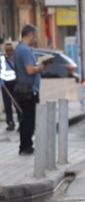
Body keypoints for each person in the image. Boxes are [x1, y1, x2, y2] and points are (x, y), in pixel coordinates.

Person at [13, 25, 46, 154]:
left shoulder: (19, 49)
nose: (36, 38)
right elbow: (30, 70)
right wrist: (40, 68)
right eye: (35, 35)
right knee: (29, 119)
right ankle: (26, 146)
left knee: (26, 118)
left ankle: (25, 145)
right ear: (30, 34)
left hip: (23, 89)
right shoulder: (25, 50)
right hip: (28, 90)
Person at [1, 40, 19, 131]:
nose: (9, 52)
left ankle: (21, 121)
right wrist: (1, 81)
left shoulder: (16, 59)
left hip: (15, 83)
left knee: (17, 103)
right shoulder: (2, 60)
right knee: (7, 105)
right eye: (7, 50)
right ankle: (10, 122)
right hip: (5, 84)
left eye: (10, 50)